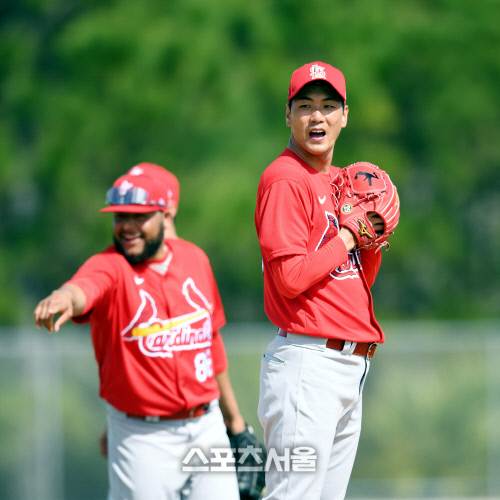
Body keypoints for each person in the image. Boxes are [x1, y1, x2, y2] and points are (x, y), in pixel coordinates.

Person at [34, 165, 244, 500]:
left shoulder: (195, 259)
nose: (127, 227)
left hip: (207, 425)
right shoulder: (111, 266)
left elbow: (212, 345)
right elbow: (84, 287)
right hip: (142, 437)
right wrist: (64, 297)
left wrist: (236, 423)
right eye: (120, 217)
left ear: (165, 215)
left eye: (139, 216)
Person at [254, 61, 386, 500]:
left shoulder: (341, 181)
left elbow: (356, 278)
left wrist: (371, 242)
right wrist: (349, 233)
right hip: (308, 366)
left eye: (328, 106)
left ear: (345, 115)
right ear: (287, 114)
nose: (317, 117)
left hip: (349, 366)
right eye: (305, 106)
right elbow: (290, 278)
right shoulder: (285, 179)